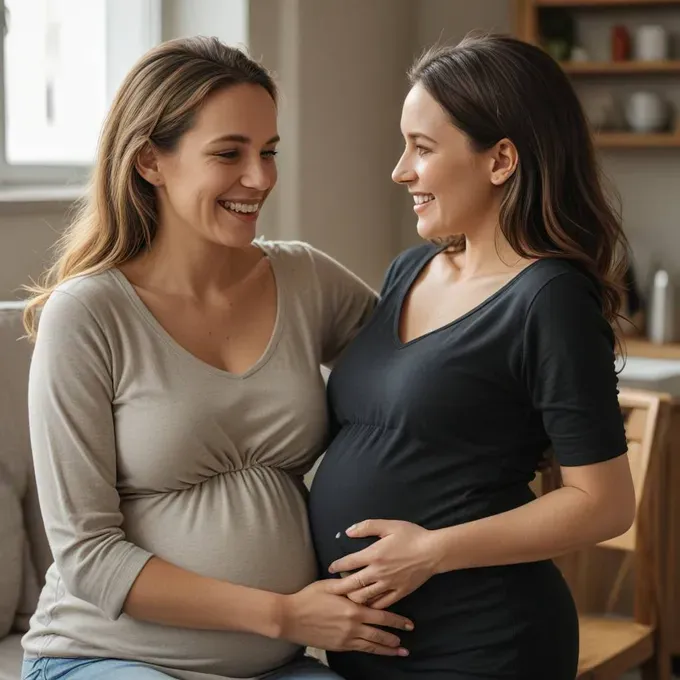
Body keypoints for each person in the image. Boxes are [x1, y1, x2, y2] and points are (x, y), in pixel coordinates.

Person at [20, 37, 415, 680]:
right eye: (229, 153)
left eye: (269, 152)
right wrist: (286, 615)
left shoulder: (305, 277)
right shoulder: (88, 314)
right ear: (151, 160)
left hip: (274, 666)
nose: (259, 178)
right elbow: (88, 555)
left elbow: (421, 365)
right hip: (103, 657)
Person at [308, 33, 636, 680]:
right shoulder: (410, 271)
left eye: (422, 149)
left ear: (501, 160)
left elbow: (605, 503)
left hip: (482, 644)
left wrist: (430, 551)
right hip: (371, 644)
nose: (401, 170)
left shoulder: (550, 299)